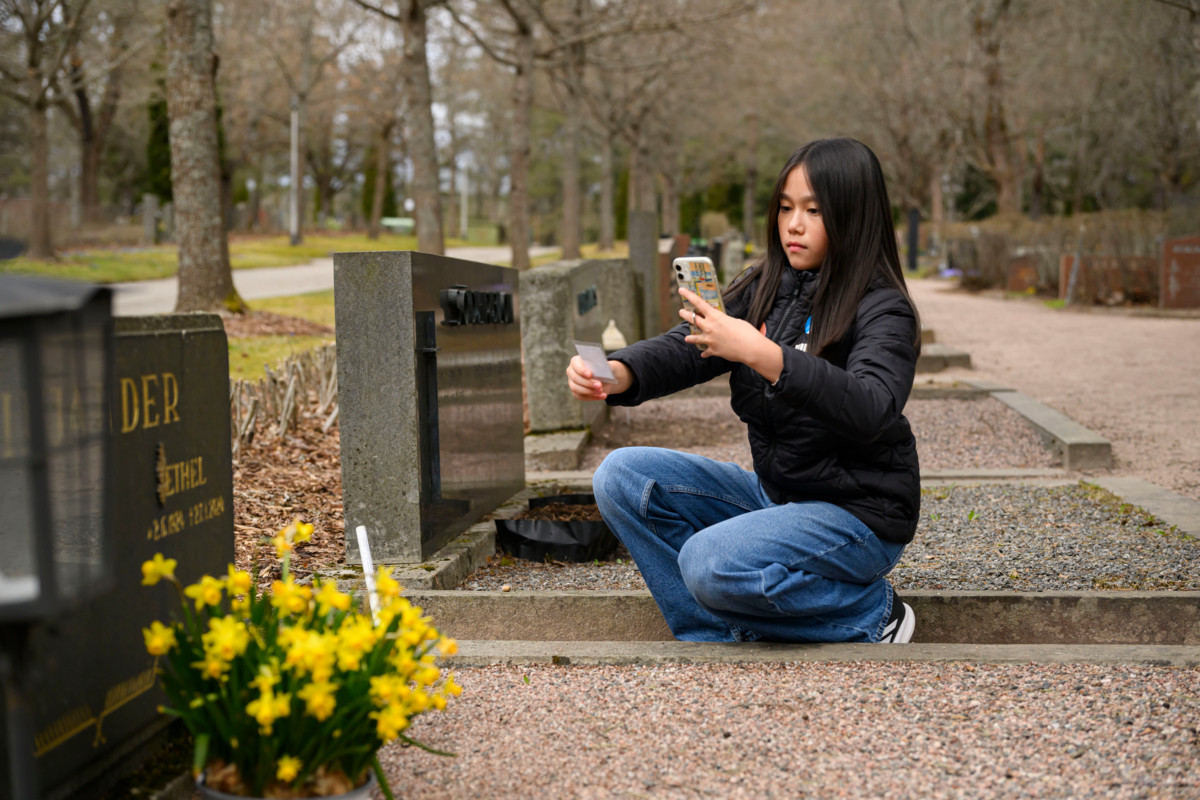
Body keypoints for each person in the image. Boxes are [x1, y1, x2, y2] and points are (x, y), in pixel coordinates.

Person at [565, 138, 922, 644]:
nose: (793, 224)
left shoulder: (885, 308)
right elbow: (688, 345)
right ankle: (714, 632)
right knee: (622, 476)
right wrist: (620, 373)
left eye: (814, 210)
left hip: (858, 516)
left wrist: (763, 354)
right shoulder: (767, 286)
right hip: (775, 498)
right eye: (785, 207)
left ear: (854, 216)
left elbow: (872, 406)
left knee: (708, 563)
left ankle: (872, 614)